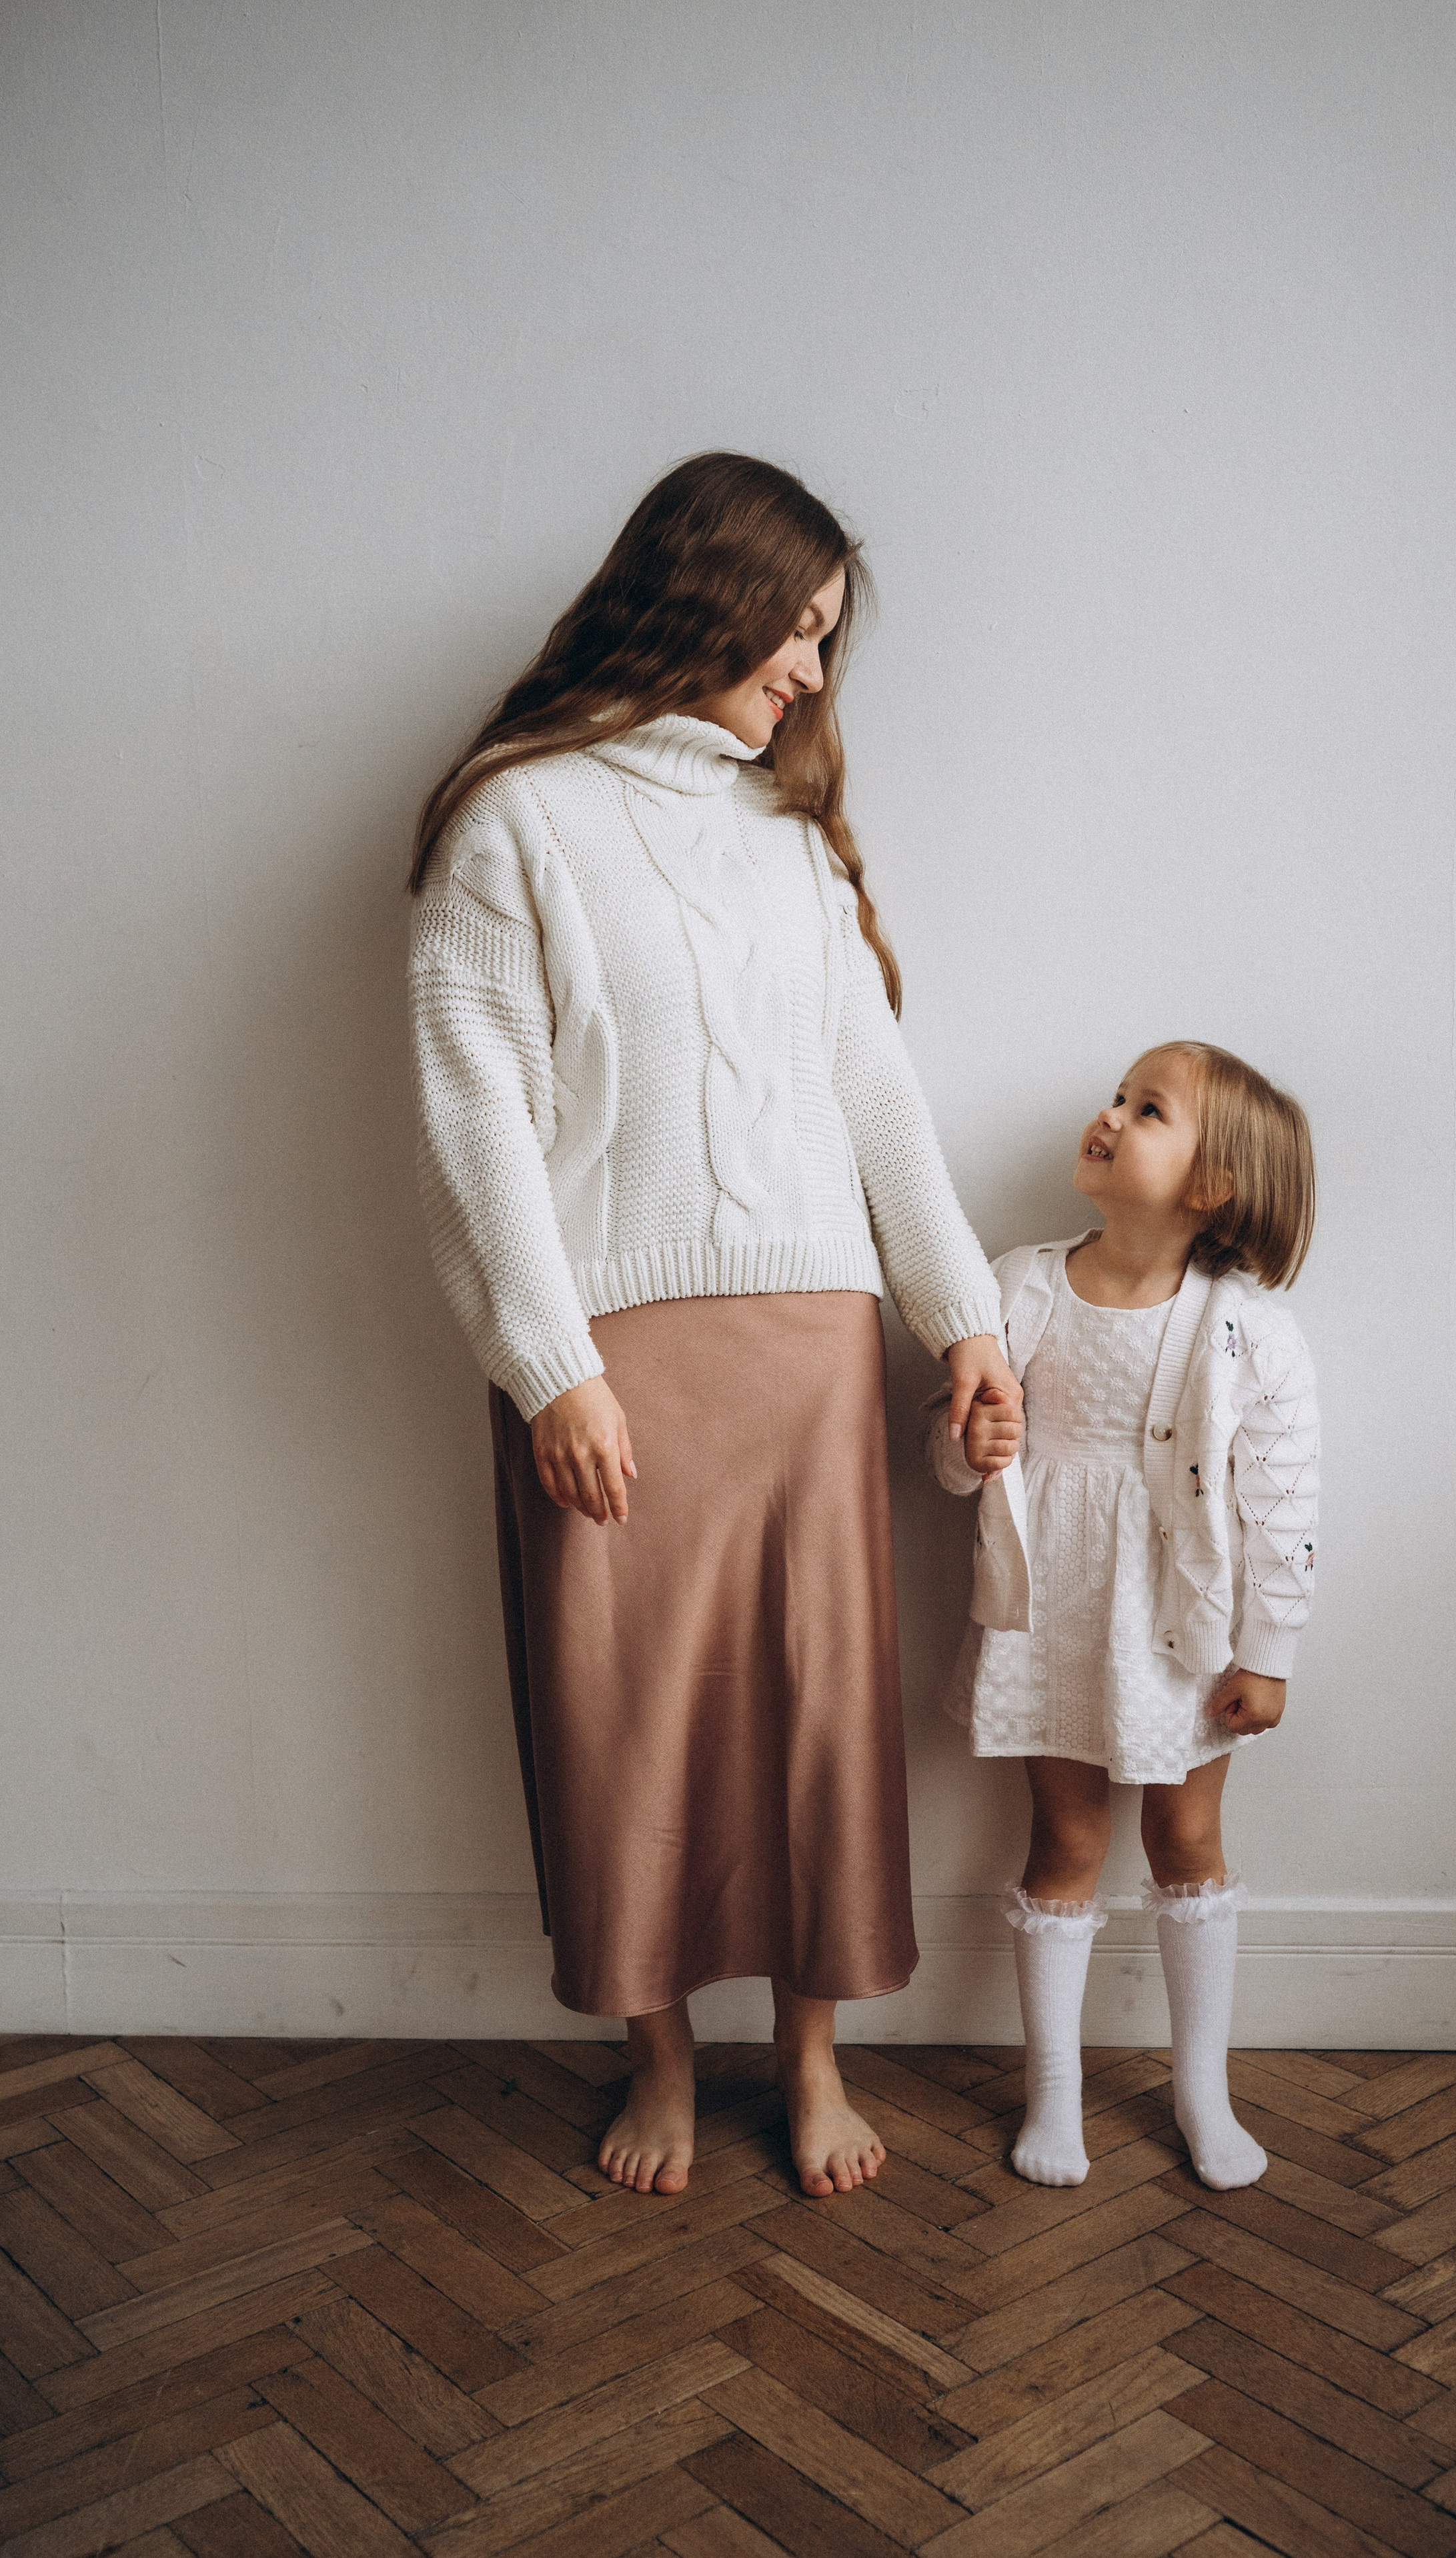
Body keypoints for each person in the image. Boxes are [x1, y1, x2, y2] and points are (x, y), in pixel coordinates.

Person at [408, 453, 1019, 2199]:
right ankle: (660, 2055)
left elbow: (875, 1092)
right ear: (710, 596)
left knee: (817, 1711)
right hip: (614, 1354)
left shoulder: (784, 833)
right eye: (800, 630)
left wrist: (959, 1315)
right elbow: (478, 1123)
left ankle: (811, 2059)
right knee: (628, 1723)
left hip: (811, 1343)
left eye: (829, 641)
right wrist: (553, 1365)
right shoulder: (514, 816)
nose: (813, 675)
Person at [926, 1042, 1319, 2190]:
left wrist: (1270, 1652)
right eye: (1118, 1095)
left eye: (1147, 1109)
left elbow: (1285, 1506)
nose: (1108, 1115)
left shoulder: (1247, 1333)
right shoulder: (1023, 1284)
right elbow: (951, 1445)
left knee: (1186, 1840)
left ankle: (1201, 2088)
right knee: (1067, 1841)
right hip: (1053, 1612)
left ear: (1212, 1187)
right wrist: (967, 1448)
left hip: (1183, 1624)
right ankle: (1054, 2089)